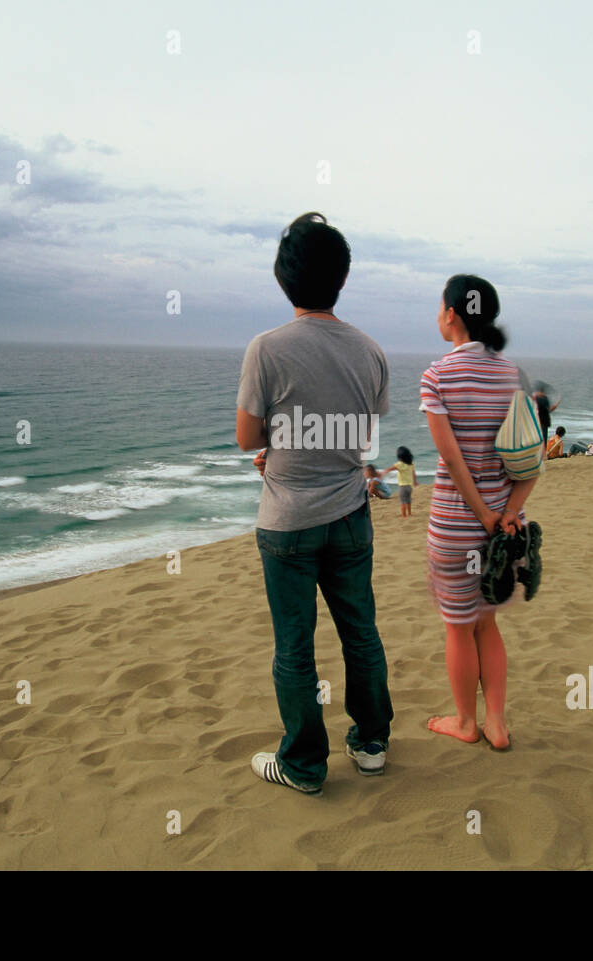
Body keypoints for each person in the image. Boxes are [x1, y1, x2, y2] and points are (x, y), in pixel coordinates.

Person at [236, 212, 394, 794]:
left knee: (294, 648)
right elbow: (361, 437)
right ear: (342, 279)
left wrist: (279, 446)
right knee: (362, 633)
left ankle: (303, 765)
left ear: (283, 279)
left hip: (288, 524)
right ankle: (372, 742)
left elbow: (248, 438)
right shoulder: (371, 351)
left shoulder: (266, 348)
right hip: (351, 516)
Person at [421, 274, 538, 751]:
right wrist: (506, 513)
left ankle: (466, 722)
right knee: (487, 623)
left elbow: (451, 459)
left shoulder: (438, 376)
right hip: (506, 530)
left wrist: (482, 514)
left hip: (454, 525)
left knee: (457, 626)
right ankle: (498, 724)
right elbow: (531, 460)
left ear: (452, 314)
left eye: (439, 307)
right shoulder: (514, 376)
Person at [381, 447, 418, 516]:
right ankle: (409, 513)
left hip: (403, 487)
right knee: (408, 500)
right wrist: (415, 482)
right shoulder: (411, 464)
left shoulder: (399, 464)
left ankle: (404, 515)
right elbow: (414, 474)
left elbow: (390, 469)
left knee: (403, 502)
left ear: (399, 457)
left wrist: (383, 472)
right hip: (410, 487)